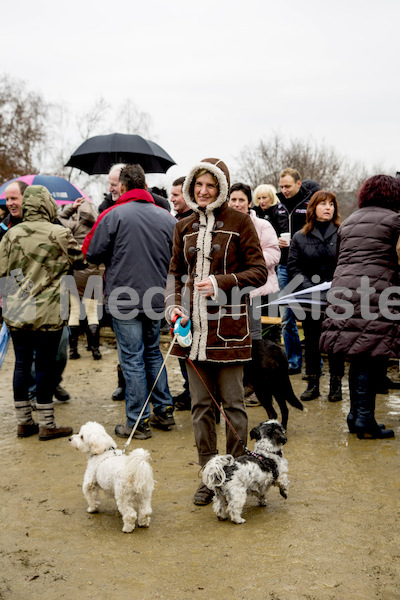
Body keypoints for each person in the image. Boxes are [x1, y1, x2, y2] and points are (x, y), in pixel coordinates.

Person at [165, 158, 268, 506]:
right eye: (198, 186)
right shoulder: (184, 226)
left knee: (234, 406)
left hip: (231, 331)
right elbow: (175, 273)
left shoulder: (241, 222)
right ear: (191, 188)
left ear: (222, 187)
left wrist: (221, 282)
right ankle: (210, 476)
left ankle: (236, 474)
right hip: (191, 334)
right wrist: (173, 305)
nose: (204, 191)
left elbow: (259, 272)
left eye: (211, 185)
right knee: (200, 407)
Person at [83, 164, 177, 440]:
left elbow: (90, 252)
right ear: (145, 186)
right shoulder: (167, 218)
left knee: (133, 359)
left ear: (122, 187)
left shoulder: (112, 215)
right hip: (156, 298)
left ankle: (138, 421)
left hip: (124, 299)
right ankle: (164, 409)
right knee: (152, 352)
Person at [0, 185, 85, 440]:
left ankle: (24, 422)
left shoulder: (10, 235)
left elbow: (3, 272)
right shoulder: (60, 233)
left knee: (22, 364)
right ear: (48, 205)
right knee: (45, 366)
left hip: (18, 310)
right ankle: (48, 424)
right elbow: (80, 260)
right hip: (50, 311)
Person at [320, 174, 400, 439]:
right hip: (376, 295)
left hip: (343, 294)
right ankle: (364, 419)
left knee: (357, 355)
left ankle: (355, 416)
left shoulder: (349, 221)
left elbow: (338, 258)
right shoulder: (395, 221)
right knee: (368, 357)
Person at [1, 180, 70, 402]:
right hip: (21, 304)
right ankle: (37, 402)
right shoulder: (5, 229)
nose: (10, 203)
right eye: (7, 199)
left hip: (52, 305)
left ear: (27, 199)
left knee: (56, 355)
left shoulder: (55, 226)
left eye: (14, 198)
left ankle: (51, 384)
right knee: (28, 360)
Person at [287, 191, 344, 401]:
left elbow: (347, 263)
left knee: (336, 340)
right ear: (313, 208)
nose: (328, 207)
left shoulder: (342, 233)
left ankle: (336, 384)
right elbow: (293, 266)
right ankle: (312, 383)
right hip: (310, 297)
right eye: (323, 204)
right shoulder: (300, 237)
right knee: (312, 340)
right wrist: (310, 288)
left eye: (331, 204)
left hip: (337, 296)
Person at [228, 182, 280, 340]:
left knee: (254, 336)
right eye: (233, 200)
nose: (237, 204)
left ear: (249, 203)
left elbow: (274, 254)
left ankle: (255, 365)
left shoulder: (263, 226)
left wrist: (249, 260)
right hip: (229, 288)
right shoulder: (222, 225)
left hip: (256, 289)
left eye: (241, 200)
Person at [276, 168, 313, 374]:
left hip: (306, 267)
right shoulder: (278, 205)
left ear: (299, 184)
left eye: (288, 186)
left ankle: (315, 365)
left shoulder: (310, 204)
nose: (284, 190)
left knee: (309, 317)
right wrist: (277, 241)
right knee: (286, 318)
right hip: (283, 266)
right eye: (281, 186)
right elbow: (270, 230)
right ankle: (294, 362)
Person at [58, 197, 102, 360]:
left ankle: (73, 350)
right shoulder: (98, 228)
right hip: (93, 273)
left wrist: (72, 207)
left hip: (76, 272)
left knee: (75, 311)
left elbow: (60, 218)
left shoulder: (74, 226)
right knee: (92, 313)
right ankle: (95, 350)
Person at [169, 176, 193, 410]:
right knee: (181, 345)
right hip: (178, 295)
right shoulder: (176, 222)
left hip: (194, 294)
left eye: (176, 195)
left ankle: (194, 392)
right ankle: (189, 391)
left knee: (189, 348)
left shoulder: (192, 223)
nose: (172, 198)